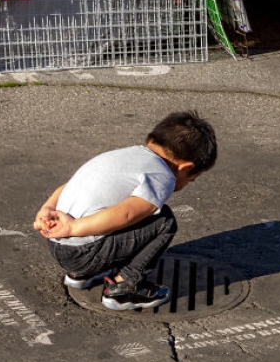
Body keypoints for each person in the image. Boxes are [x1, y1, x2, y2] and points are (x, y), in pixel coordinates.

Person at [33, 110, 217, 311]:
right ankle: (124, 286)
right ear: (186, 168)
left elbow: (68, 186)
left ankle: (82, 274)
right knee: (163, 221)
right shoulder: (163, 176)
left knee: (131, 211)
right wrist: (73, 228)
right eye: (191, 180)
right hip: (80, 252)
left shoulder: (125, 155)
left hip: (56, 243)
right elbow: (126, 214)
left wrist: (48, 208)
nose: (186, 183)